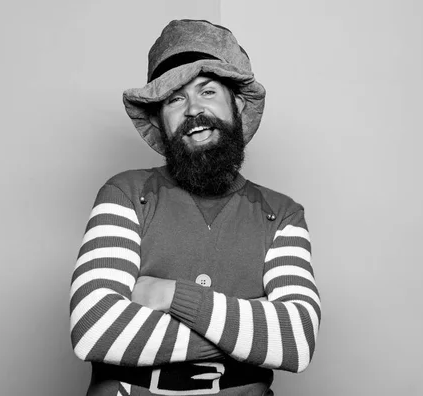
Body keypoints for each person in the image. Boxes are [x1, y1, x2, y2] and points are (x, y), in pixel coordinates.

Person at [69, 19, 321, 396]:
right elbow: (94, 328)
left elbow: (296, 339)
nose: (193, 110)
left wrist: (171, 296)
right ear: (159, 117)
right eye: (175, 98)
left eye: (208, 91)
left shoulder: (281, 214)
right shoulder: (124, 193)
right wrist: (251, 332)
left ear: (236, 103)